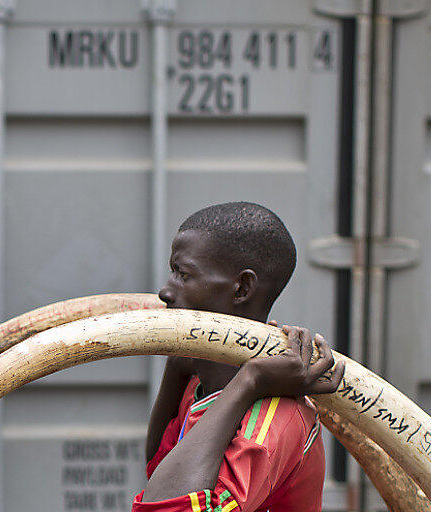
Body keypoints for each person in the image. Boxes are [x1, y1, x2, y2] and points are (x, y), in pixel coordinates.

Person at [135, 202, 345, 512]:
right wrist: (178, 365)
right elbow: (159, 469)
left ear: (242, 288)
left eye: (183, 274)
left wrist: (251, 379)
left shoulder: (274, 417)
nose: (166, 291)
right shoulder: (199, 385)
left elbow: (165, 507)